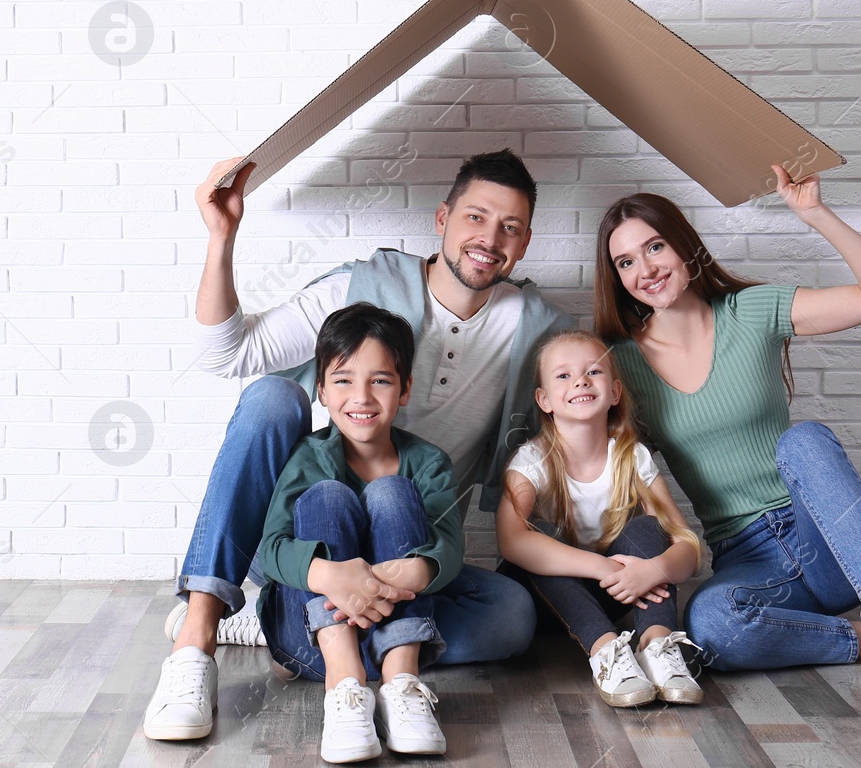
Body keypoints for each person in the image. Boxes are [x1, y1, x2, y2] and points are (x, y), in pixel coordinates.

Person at [143, 149, 577, 742]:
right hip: (323, 527)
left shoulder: (538, 328)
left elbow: (591, 405)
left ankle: (294, 629)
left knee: (512, 614)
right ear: (442, 218)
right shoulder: (362, 288)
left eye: (511, 226)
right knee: (271, 398)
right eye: (476, 217)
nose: (490, 238)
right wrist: (222, 236)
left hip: (410, 545)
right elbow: (227, 355)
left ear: (525, 244)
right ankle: (197, 642)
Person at [594, 166, 861, 735]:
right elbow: (613, 472)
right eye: (626, 262)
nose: (645, 269)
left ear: (684, 246)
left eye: (654, 246)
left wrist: (814, 212)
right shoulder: (621, 365)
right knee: (713, 624)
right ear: (616, 277)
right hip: (750, 559)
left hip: (830, 539)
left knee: (806, 439)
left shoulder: (754, 310)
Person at [258, 303, 458, 762]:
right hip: (316, 643)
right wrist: (331, 576)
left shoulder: (429, 463)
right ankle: (346, 686)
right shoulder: (307, 457)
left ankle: (402, 683)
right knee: (328, 496)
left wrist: (412, 572)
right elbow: (271, 548)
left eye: (381, 381)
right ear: (322, 391)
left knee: (391, 493)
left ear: (405, 389)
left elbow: (449, 544)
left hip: (396, 625)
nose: (362, 397)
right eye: (344, 380)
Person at [497, 330, 703, 708]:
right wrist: (604, 566)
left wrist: (654, 570)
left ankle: (658, 645)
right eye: (563, 376)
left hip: (615, 593)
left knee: (646, 528)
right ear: (544, 400)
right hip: (542, 602)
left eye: (594, 371)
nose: (580, 381)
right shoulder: (531, 462)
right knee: (538, 539)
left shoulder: (632, 456)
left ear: (615, 392)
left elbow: (687, 544)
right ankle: (607, 653)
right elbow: (511, 541)